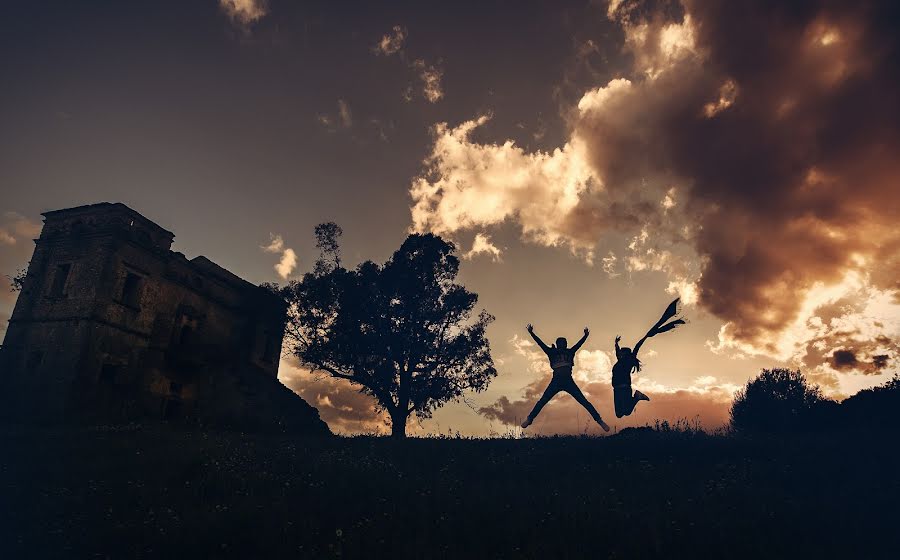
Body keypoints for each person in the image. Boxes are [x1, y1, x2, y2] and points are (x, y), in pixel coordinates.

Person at [521, 324, 610, 431]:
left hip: (568, 381)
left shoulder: (569, 352)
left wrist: (585, 336)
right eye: (561, 343)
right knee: (542, 401)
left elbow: (578, 345)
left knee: (583, 401)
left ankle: (599, 420)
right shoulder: (551, 352)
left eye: (565, 343)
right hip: (556, 381)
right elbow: (540, 344)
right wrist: (531, 333)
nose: (563, 345)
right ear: (558, 344)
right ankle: (530, 419)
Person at [612, 297, 686, 418]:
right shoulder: (620, 360)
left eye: (621, 352)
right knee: (619, 414)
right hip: (616, 389)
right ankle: (636, 397)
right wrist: (616, 344)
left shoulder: (629, 361)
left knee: (626, 412)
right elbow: (617, 352)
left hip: (624, 388)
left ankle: (637, 397)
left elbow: (637, 346)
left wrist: (645, 337)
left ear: (625, 354)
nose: (619, 354)